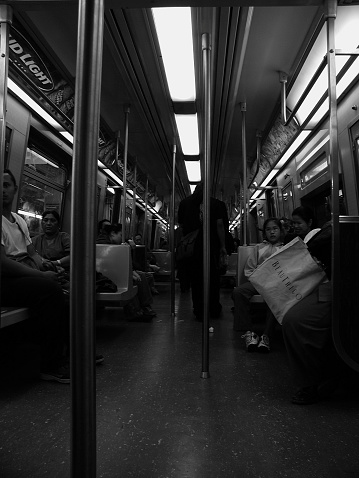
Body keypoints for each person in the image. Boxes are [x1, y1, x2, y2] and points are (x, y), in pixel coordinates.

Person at [1, 169, 70, 383]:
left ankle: (67, 350)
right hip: (5, 278)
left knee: (66, 286)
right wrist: (41, 277)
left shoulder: (19, 220)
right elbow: (3, 263)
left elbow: (32, 254)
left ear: (15, 189)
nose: (2, 190)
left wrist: (48, 266)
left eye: (6, 185)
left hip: (22, 273)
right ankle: (49, 364)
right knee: (49, 291)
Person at [281, 220, 340, 404]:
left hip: (340, 287)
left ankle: (312, 382)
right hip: (329, 284)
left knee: (295, 319)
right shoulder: (327, 230)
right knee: (291, 315)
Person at [177, 183, 228, 320]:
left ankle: (199, 310)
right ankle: (214, 309)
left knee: (196, 279)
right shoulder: (217, 204)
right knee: (213, 278)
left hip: (192, 248)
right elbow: (219, 225)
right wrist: (223, 246)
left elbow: (181, 226)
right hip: (212, 246)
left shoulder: (184, 203)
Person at [233, 217, 285, 352]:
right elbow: (249, 269)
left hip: (277, 284)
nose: (272, 232)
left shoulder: (286, 249)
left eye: (275, 229)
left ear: (280, 231)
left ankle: (266, 335)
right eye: (268, 229)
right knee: (238, 292)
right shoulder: (258, 248)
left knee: (274, 295)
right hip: (258, 282)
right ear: (264, 233)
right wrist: (259, 279)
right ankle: (249, 332)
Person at [96, 223, 157, 320]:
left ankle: (142, 308)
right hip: (106, 276)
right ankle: (139, 310)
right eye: (120, 235)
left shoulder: (110, 243)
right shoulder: (106, 245)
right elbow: (110, 264)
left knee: (139, 276)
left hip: (110, 273)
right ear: (112, 234)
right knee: (139, 277)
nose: (121, 238)